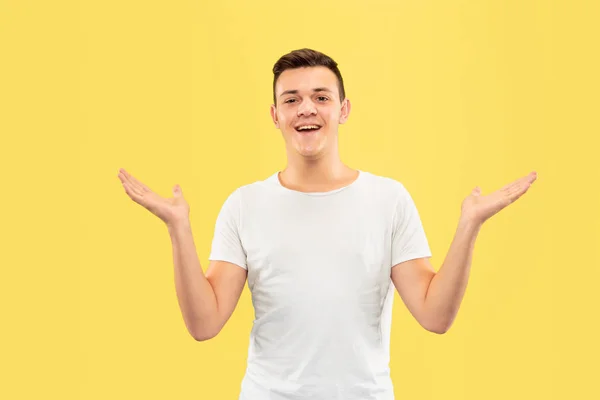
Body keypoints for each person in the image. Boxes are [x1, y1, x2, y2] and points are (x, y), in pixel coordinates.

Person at [118, 48, 537, 399]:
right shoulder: (245, 205)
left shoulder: (388, 200)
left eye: (321, 97)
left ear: (344, 109)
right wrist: (178, 228)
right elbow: (204, 324)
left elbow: (435, 315)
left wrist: (469, 225)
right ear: (275, 115)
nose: (307, 109)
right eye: (292, 99)